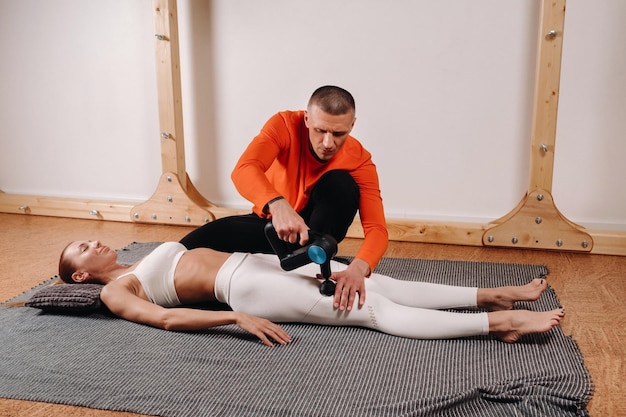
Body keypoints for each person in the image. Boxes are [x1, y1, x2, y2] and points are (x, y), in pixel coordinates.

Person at [57, 240, 565, 347]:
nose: (93, 243)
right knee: (370, 310)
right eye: (82, 249)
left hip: (260, 264)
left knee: (373, 282)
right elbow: (165, 320)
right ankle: (500, 324)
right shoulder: (116, 291)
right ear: (80, 276)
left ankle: (491, 297)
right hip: (244, 286)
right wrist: (234, 317)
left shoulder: (135, 254)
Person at [179, 86, 388, 313]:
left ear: (352, 125)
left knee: (341, 184)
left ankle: (309, 264)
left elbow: (377, 228)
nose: (328, 143)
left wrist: (359, 268)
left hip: (313, 238)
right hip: (270, 226)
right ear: (307, 119)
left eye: (338, 134)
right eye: (320, 130)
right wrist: (277, 204)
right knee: (182, 250)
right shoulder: (285, 125)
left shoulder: (360, 160)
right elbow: (244, 169)